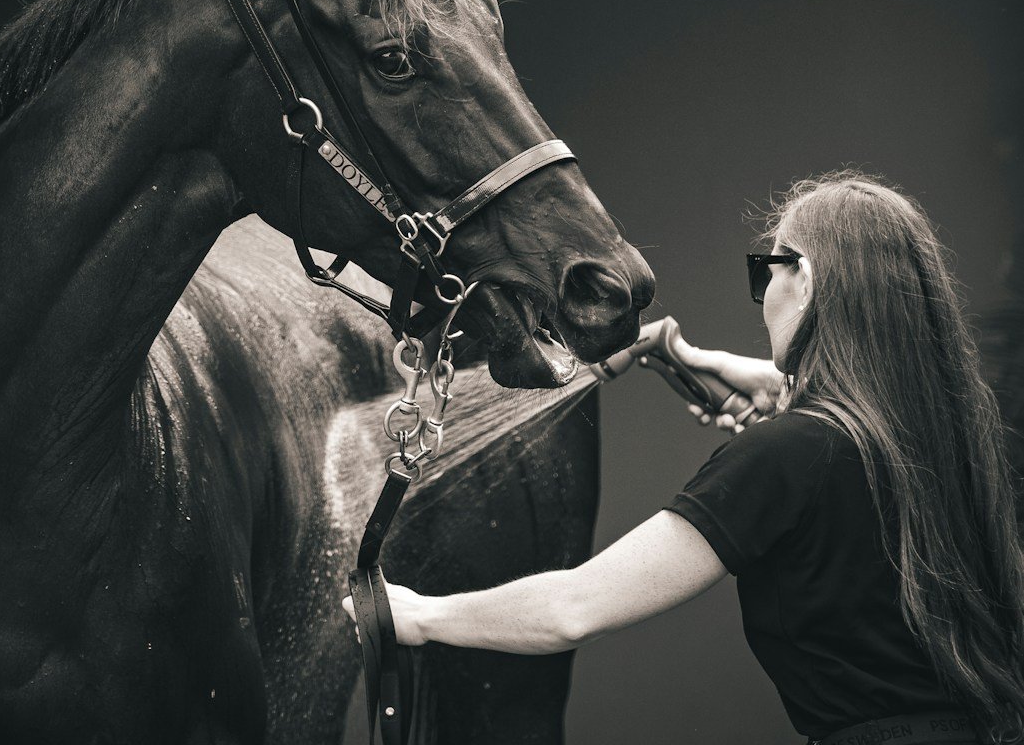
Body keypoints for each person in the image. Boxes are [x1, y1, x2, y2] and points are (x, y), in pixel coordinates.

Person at [342, 171, 1024, 745]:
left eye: (768, 271)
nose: (763, 298)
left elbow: (572, 609)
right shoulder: (949, 446)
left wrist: (416, 616)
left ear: (806, 281)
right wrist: (791, 402)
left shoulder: (790, 454)